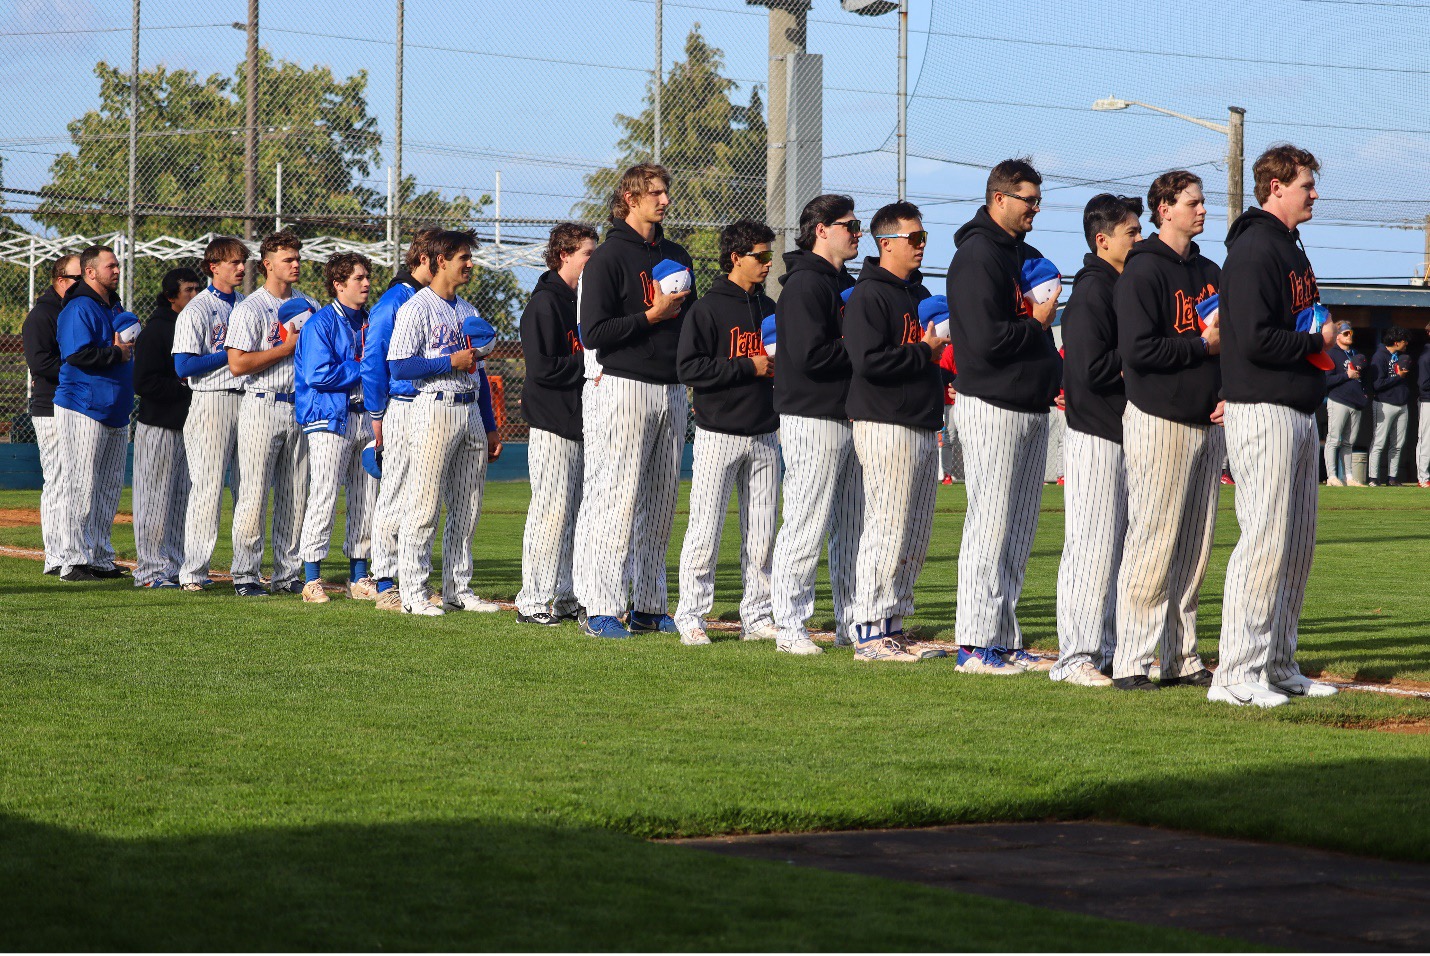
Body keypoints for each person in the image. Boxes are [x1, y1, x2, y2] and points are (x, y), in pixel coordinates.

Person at [1214, 143, 1341, 706]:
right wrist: (1314, 340)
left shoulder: (1290, 247)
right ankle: (1235, 675)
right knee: (1264, 543)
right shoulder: (1253, 248)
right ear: (1276, 187)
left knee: (1295, 546)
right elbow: (1253, 338)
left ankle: (1279, 663)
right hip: (1262, 409)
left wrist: (1316, 334)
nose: (1314, 194)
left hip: (1297, 410)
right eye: (1306, 185)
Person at [945, 158, 1062, 675]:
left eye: (1038, 200)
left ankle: (1004, 639)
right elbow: (984, 340)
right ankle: (974, 645)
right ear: (999, 198)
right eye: (1027, 200)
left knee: (1018, 531)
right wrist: (1037, 324)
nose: (1035, 209)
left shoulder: (1023, 254)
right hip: (992, 405)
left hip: (1029, 404)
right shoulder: (977, 256)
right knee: (990, 527)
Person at [1111, 170, 1222, 692]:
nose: (1202, 209)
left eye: (1202, 201)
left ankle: (1181, 656)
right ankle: (1132, 660)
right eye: (1192, 202)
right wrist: (1201, 346)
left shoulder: (1210, 270)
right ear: (1164, 209)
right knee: (1153, 543)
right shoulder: (1143, 269)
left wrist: (1225, 389)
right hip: (1158, 419)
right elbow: (1138, 351)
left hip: (1206, 420)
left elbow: (1229, 344)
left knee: (1195, 549)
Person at [578, 163, 696, 638]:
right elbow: (593, 332)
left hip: (672, 387)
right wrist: (651, 315)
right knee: (617, 500)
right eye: (655, 193)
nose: (665, 200)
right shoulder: (607, 258)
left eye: (666, 192)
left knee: (662, 503)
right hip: (625, 385)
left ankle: (649, 605)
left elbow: (690, 324)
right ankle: (601, 608)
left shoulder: (676, 254)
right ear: (630, 198)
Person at [845, 201, 948, 662]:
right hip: (885, 423)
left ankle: (893, 624)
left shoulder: (917, 292)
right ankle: (869, 631)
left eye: (924, 237)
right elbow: (868, 362)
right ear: (886, 243)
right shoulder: (869, 294)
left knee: (915, 533)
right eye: (915, 238)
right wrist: (924, 351)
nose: (922, 245)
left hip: (921, 422)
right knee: (887, 528)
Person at [672, 219, 781, 647]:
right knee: (705, 530)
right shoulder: (707, 308)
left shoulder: (770, 307)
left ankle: (757, 615)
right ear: (735, 257)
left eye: (770, 254)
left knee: (763, 534)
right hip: (718, 432)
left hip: (765, 432)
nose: (768, 262)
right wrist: (747, 366)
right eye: (761, 255)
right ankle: (691, 615)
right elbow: (689, 368)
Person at [1051, 193, 1143, 688]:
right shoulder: (1092, 290)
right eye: (1131, 232)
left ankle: (1105, 650)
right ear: (1102, 240)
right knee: (1091, 548)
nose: (1140, 238)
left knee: (1118, 551)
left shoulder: (1123, 285)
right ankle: (1076, 657)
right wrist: (1144, 357)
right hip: (1095, 434)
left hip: (1123, 432)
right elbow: (1088, 369)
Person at [768, 194, 863, 655]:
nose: (857, 233)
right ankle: (789, 625)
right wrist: (864, 346)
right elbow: (811, 356)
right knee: (806, 522)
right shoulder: (806, 283)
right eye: (850, 225)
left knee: (853, 526)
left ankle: (851, 622)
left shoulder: (844, 283)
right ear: (821, 230)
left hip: (847, 414)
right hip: (810, 416)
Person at [388, 230, 502, 616]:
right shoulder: (416, 307)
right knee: (424, 506)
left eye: (469, 257)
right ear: (441, 261)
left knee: (468, 507)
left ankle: (458, 589)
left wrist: (491, 425)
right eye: (463, 258)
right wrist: (449, 361)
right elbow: (399, 366)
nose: (470, 263)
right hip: (434, 407)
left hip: (470, 409)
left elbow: (479, 372)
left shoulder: (469, 310)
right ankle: (413, 593)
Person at [225, 231, 318, 597]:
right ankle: (245, 574)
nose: (295, 264)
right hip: (262, 403)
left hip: (301, 405)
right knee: (253, 493)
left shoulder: (309, 304)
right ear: (267, 264)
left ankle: (287, 574)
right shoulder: (250, 308)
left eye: (297, 258)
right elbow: (237, 364)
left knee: (296, 495)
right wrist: (285, 349)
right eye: (287, 259)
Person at [516, 222, 597, 626]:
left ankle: (567, 597)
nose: (592, 261)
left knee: (577, 516)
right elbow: (542, 368)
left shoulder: (584, 302)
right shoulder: (544, 303)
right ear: (564, 255)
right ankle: (531, 601)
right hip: (551, 424)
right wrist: (589, 360)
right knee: (550, 513)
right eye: (587, 254)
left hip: (581, 424)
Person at [363, 226, 441, 611]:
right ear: (425, 259)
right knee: (395, 494)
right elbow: (373, 360)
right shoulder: (396, 298)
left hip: (428, 405)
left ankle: (411, 579)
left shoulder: (432, 298)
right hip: (403, 405)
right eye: (441, 257)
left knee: (420, 498)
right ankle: (383, 581)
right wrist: (377, 414)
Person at [294, 253, 378, 603]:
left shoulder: (371, 320)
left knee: (366, 498)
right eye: (358, 278)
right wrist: (364, 366)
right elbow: (319, 374)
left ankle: (359, 577)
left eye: (367, 276)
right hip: (328, 417)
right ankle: (311, 579)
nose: (366, 283)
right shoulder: (321, 323)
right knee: (325, 494)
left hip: (367, 415)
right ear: (338, 284)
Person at [172, 235, 249, 590]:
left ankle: (246, 570)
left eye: (243, 261)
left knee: (249, 488)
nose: (241, 268)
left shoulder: (247, 305)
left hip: (249, 400)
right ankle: (193, 572)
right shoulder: (197, 309)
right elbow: (184, 365)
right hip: (211, 399)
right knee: (208, 488)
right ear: (213, 266)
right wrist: (230, 353)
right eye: (234, 262)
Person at [52, 245, 133, 582]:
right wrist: (116, 353)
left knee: (108, 488)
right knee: (81, 486)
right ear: (90, 272)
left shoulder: (113, 305)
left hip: (115, 408)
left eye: (117, 265)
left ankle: (99, 557)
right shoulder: (79, 306)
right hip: (82, 405)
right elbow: (77, 355)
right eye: (110, 266)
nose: (116, 270)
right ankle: (73, 561)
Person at [132, 268, 202, 588]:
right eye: (188, 290)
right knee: (154, 500)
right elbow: (143, 382)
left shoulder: (193, 325)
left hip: (187, 426)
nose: (195, 295)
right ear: (171, 296)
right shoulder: (157, 330)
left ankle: (173, 567)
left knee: (181, 501)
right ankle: (149, 572)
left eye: (197, 289)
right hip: (158, 426)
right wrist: (185, 387)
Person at [21, 254, 80, 575]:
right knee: (58, 482)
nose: (82, 284)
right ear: (60, 280)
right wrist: (84, 368)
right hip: (51, 407)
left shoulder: (76, 310)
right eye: (76, 278)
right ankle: (56, 557)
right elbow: (40, 363)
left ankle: (76, 553)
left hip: (76, 405)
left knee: (75, 483)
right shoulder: (42, 315)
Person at [1324, 322, 1367, 486]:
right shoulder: (1331, 354)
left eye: (1351, 333)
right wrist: (1346, 375)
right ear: (1337, 336)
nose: (1349, 336)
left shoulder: (1355, 353)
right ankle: (1331, 476)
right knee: (1333, 439)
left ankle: (1349, 477)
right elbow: (1326, 380)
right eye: (1346, 333)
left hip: (1355, 403)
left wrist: (1364, 393)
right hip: (1339, 400)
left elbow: (1363, 377)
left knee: (1349, 442)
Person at [1367, 327, 1412, 486]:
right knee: (1379, 442)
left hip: (1402, 404)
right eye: (1404, 341)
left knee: (1398, 444)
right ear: (1396, 342)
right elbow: (1377, 384)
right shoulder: (1379, 356)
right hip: (1384, 403)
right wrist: (1399, 377)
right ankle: (1373, 478)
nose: (1406, 343)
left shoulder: (1399, 356)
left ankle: (1392, 478)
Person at [938, 340, 960, 484]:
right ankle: (947, 474)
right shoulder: (951, 349)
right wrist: (962, 381)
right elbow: (943, 374)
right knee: (950, 438)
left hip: (972, 399)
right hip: (951, 401)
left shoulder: (972, 346)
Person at [1420, 322, 1430, 488]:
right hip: (1428, 400)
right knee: (1426, 440)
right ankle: (1423, 478)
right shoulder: (1426, 355)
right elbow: (1424, 384)